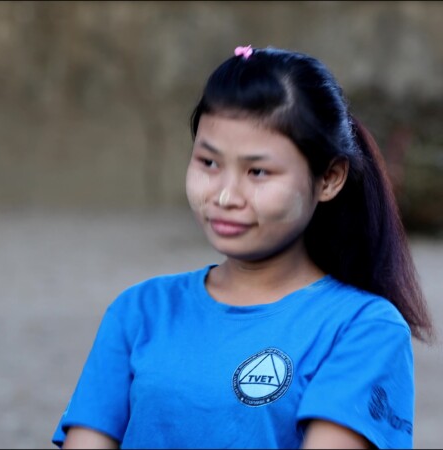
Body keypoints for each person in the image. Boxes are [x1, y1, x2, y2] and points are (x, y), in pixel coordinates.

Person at [52, 45, 435, 449]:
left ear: (329, 178)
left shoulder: (362, 328)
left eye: (258, 171)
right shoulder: (139, 311)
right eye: (209, 164)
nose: (225, 196)